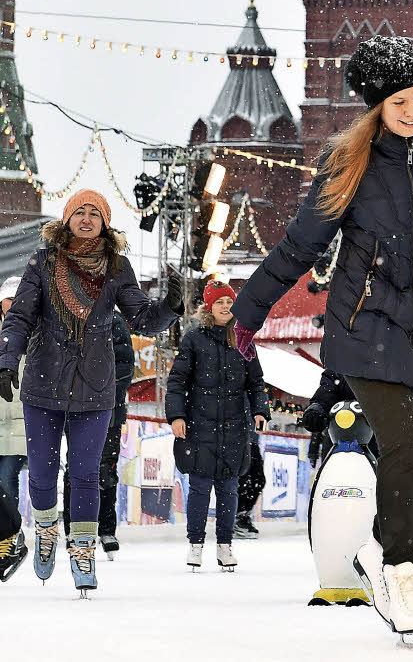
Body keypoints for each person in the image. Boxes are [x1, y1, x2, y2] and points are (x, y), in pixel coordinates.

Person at [228, 35, 413, 648]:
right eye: (399, 102)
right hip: (362, 328)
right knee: (406, 444)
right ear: (375, 108)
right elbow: (299, 246)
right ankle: (401, 571)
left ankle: (385, 557)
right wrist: (249, 310)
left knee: (407, 460)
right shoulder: (350, 167)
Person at [0, 189, 182, 596]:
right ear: (66, 220)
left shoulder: (118, 267)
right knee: (44, 475)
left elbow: (143, 319)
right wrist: (6, 360)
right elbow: (20, 317)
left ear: (105, 222)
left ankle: (83, 548)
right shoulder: (43, 263)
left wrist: (170, 305)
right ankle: (46, 529)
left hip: (95, 387)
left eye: (94, 213)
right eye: (78, 212)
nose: (86, 219)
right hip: (43, 384)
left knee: (86, 474)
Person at [166, 281, 270, 573]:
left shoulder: (244, 339)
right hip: (199, 427)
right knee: (199, 488)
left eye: (229, 301)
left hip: (235, 428)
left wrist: (260, 410)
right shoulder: (193, 339)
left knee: (229, 489)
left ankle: (225, 546)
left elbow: (256, 383)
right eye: (220, 302)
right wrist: (177, 416)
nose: (226, 306)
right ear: (209, 307)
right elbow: (177, 382)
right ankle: (195, 545)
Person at [61, 310, 134, 560]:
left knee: (106, 469)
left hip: (109, 412)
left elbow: (125, 365)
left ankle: (106, 529)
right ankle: (73, 527)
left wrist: (103, 392)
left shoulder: (113, 320)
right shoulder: (66, 317)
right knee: (76, 469)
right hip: (75, 410)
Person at [0, 277, 27, 512]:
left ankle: (11, 536)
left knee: (7, 479)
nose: (13, 303)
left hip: (20, 421)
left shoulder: (35, 331)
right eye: (9, 298)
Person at [234, 436, 266, 539]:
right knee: (242, 480)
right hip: (235, 440)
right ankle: (237, 516)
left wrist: (265, 418)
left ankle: (244, 514)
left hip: (252, 440)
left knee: (259, 480)